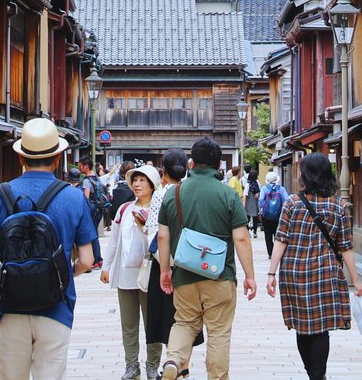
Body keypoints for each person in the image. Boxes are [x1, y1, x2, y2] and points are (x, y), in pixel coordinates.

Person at [0, 118, 98, 380]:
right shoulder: (74, 196)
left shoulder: (0, 194)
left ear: (21, 157)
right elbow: (87, 260)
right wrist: (58, 274)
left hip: (9, 307)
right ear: (57, 158)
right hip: (56, 306)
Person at [157, 137, 257, 380]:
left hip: (184, 275)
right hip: (220, 275)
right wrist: (250, 276)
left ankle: (173, 360)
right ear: (218, 165)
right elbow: (242, 238)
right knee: (219, 333)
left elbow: (162, 237)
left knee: (184, 323)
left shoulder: (174, 193)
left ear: (191, 163)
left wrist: (164, 271)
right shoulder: (228, 194)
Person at [266, 153, 362, 380]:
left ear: (305, 175)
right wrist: (355, 279)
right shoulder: (339, 206)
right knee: (321, 326)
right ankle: (317, 375)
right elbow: (346, 246)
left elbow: (281, 239)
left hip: (294, 272)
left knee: (303, 324)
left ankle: (314, 374)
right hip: (326, 272)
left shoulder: (292, 203)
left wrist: (271, 272)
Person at [101, 164, 163, 380]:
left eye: (142, 180)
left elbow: (162, 243)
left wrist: (145, 226)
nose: (137, 184)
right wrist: (106, 266)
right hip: (126, 274)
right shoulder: (124, 209)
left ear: (152, 184)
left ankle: (153, 365)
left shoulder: (160, 208)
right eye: (135, 180)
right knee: (129, 324)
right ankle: (131, 365)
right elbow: (114, 241)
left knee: (152, 323)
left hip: (151, 273)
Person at [258, 170, 288, 256]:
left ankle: (270, 253)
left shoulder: (264, 189)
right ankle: (277, 252)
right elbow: (286, 200)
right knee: (277, 234)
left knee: (267, 234)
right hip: (279, 215)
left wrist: (262, 211)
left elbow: (260, 200)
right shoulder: (281, 189)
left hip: (266, 216)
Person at [244, 168, 261, 235]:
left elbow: (245, 194)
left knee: (247, 218)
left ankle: (247, 231)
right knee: (255, 218)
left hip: (248, 202)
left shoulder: (248, 184)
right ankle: (255, 232)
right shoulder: (258, 183)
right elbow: (259, 192)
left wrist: (244, 203)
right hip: (255, 202)